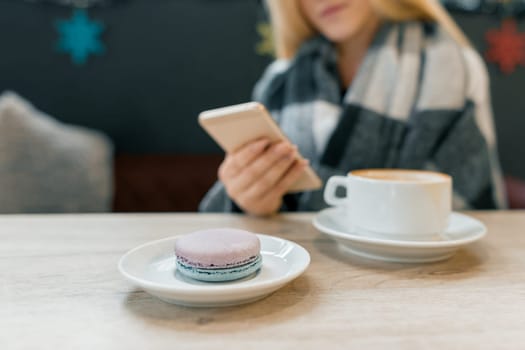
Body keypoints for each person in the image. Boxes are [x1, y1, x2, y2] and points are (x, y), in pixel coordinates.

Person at [200, 0, 507, 216]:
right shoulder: (280, 79)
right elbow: (266, 223)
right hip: (304, 276)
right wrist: (250, 201)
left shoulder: (457, 67)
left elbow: (471, 197)